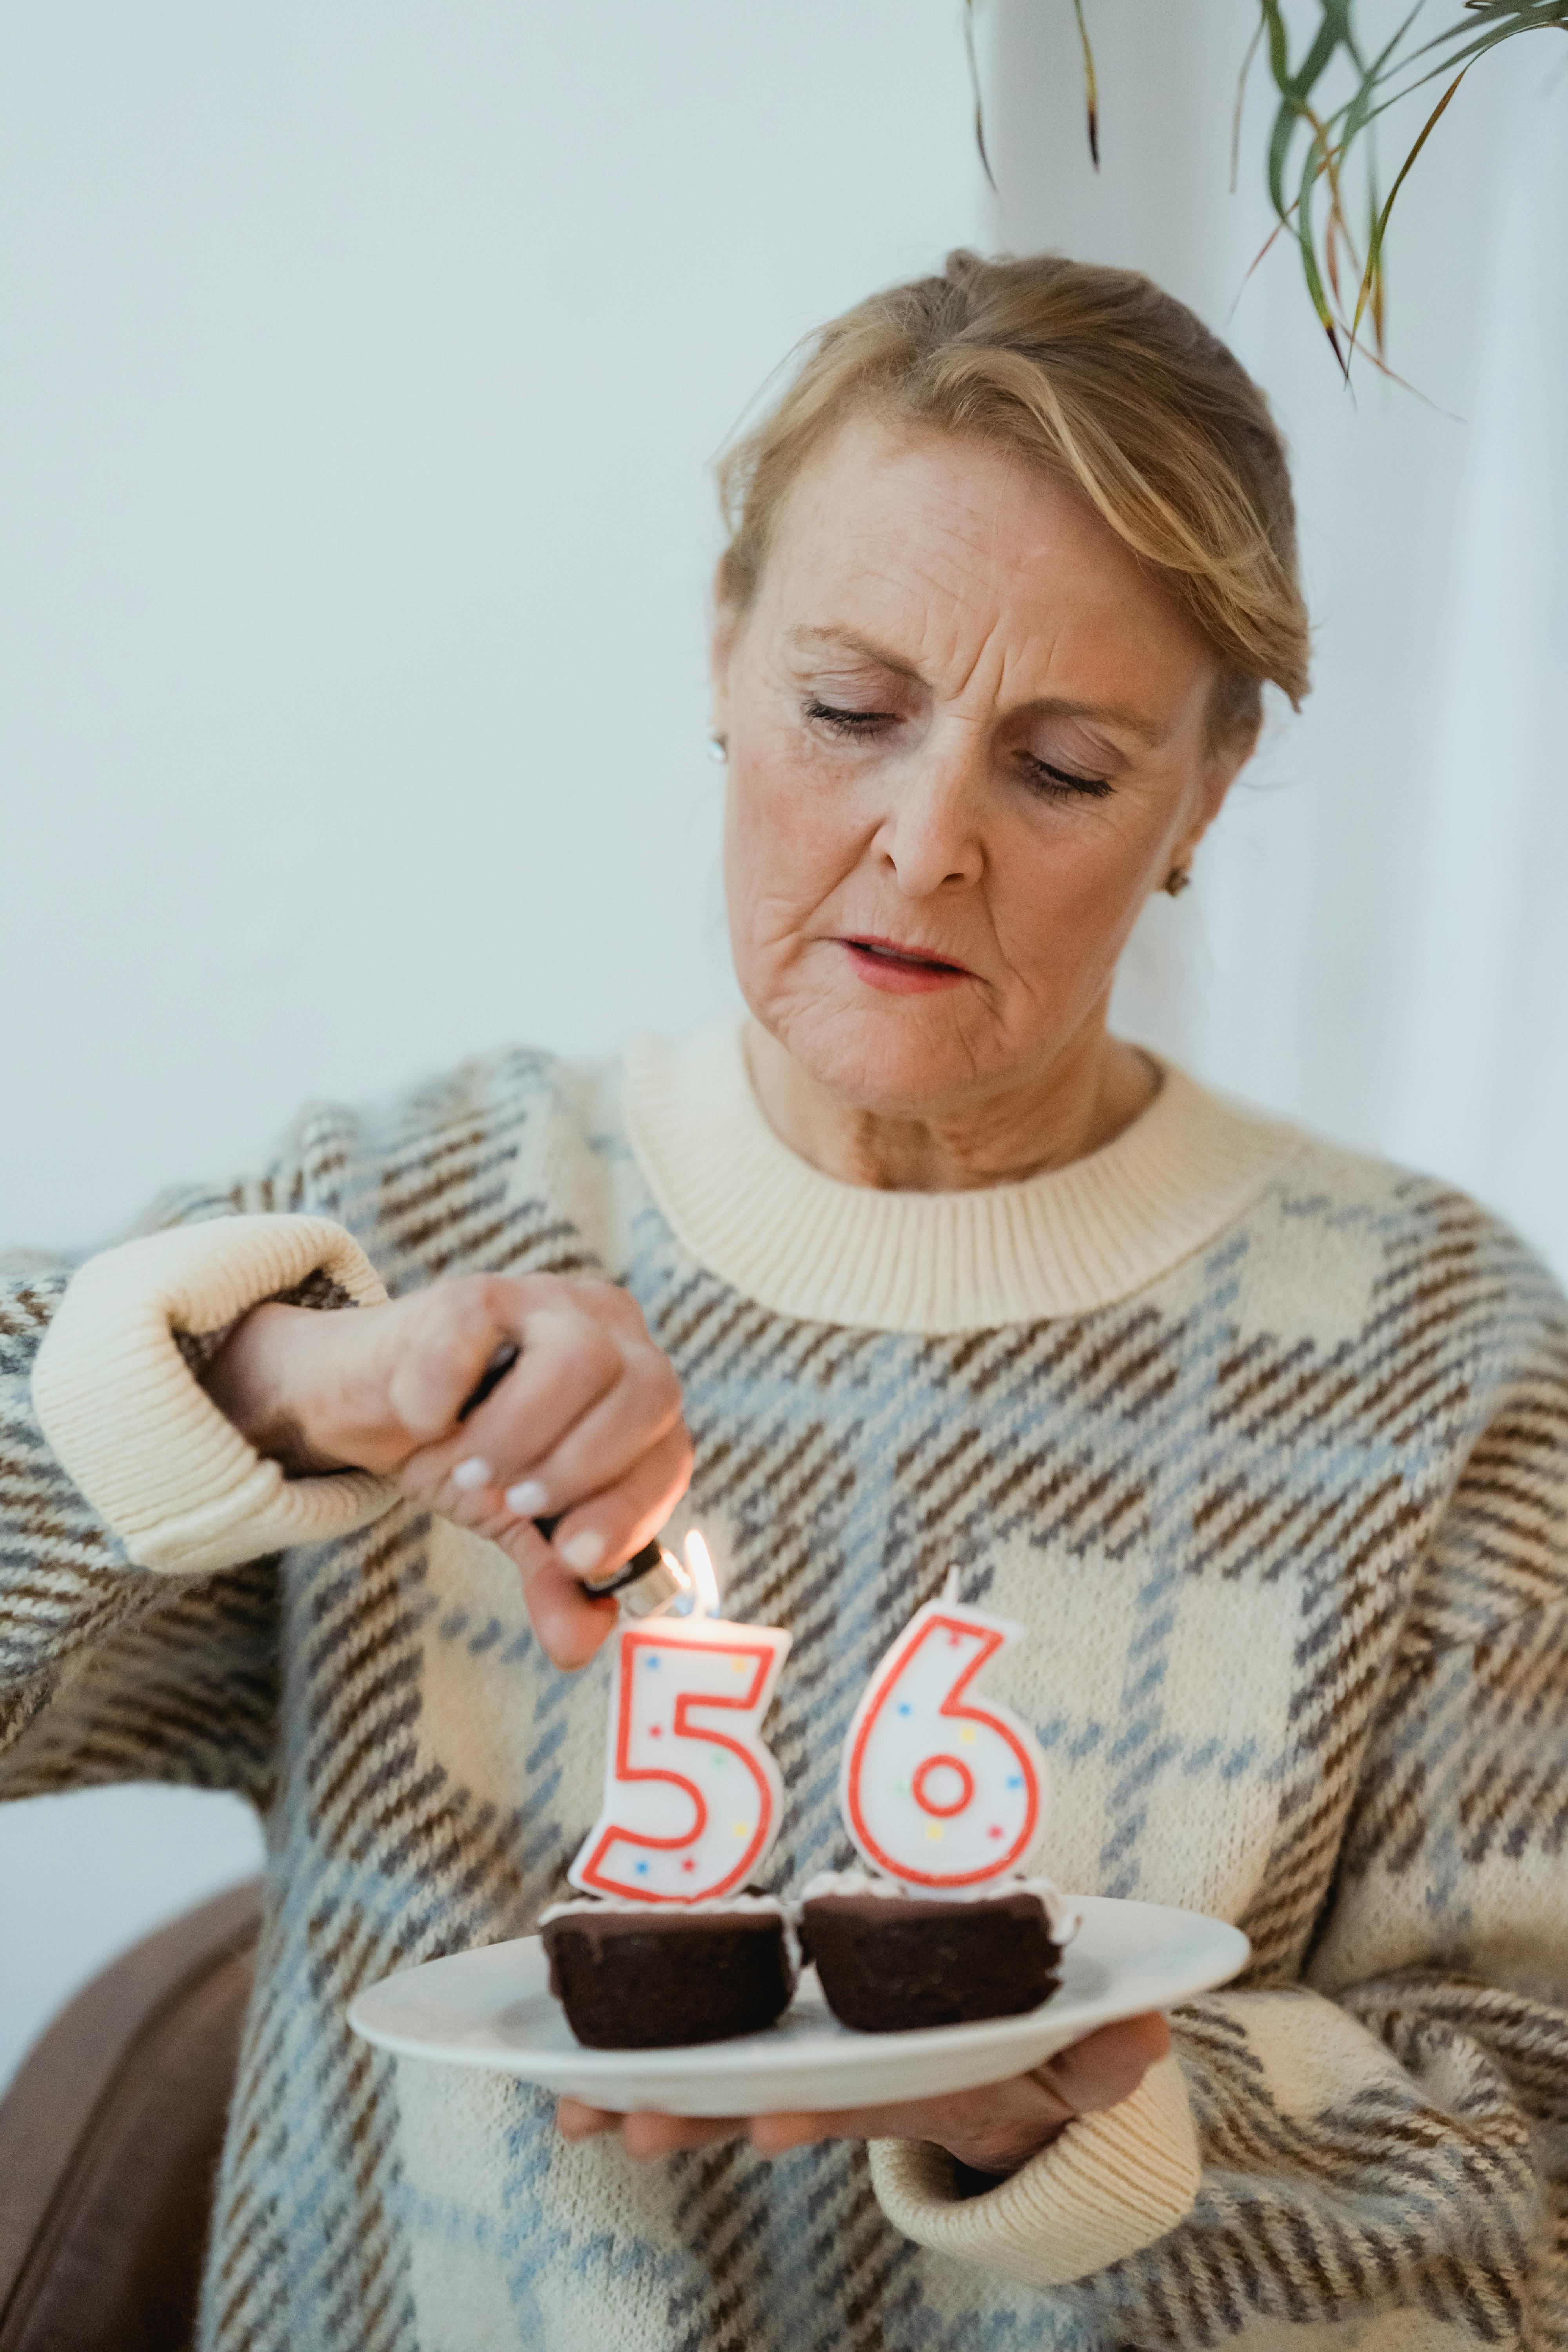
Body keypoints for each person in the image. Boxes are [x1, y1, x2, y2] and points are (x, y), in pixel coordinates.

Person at [6, 250, 1565, 2352]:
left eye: (1066, 767)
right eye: (850, 712)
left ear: (1209, 786)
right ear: (724, 654)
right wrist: (297, 1390)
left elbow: (1526, 2177)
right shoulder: (415, 1219)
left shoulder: (1435, 1356)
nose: (924, 846)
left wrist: (1089, 2132)